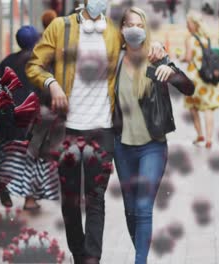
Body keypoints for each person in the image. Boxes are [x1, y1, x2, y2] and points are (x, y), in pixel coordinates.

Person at [26, 0, 166, 263]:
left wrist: (158, 46)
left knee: (95, 199)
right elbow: (34, 64)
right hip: (67, 129)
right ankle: (79, 254)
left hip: (102, 129)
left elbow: (139, 41)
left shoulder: (114, 32)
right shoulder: (60, 27)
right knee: (70, 201)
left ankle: (91, 259)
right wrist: (52, 83)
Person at [113, 7, 195, 264]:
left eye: (140, 24)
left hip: (153, 146)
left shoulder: (155, 57)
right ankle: (141, 250)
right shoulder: (114, 61)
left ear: (145, 28)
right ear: (122, 29)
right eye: (130, 24)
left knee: (143, 207)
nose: (135, 29)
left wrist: (171, 72)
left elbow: (188, 87)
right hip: (122, 146)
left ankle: (140, 261)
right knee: (130, 210)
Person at [0, 25, 59, 210]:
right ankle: (30, 200)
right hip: (31, 119)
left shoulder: (8, 61)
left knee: (5, 153)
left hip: (6, 117)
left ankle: (2, 183)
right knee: (32, 159)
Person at [182, 11, 219, 149]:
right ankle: (209, 139)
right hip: (207, 77)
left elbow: (188, 58)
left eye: (188, 23)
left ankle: (200, 135)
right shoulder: (206, 38)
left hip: (194, 78)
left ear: (193, 24)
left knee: (193, 107)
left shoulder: (190, 39)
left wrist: (180, 57)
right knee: (208, 109)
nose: (187, 26)